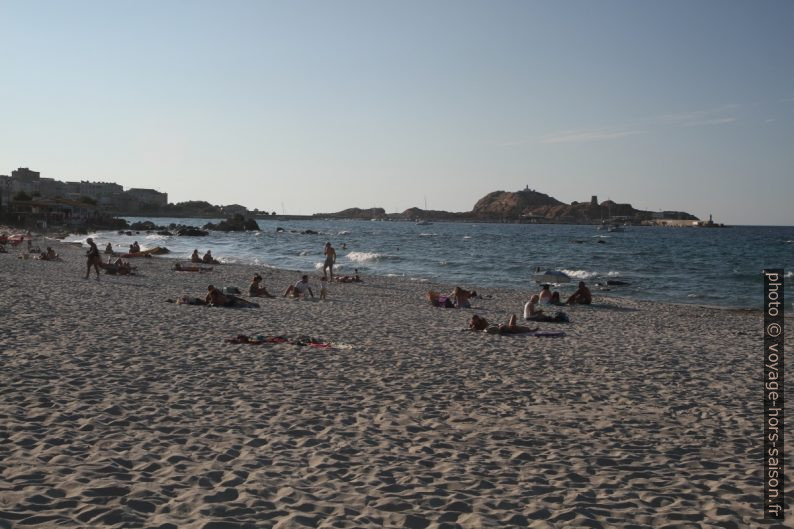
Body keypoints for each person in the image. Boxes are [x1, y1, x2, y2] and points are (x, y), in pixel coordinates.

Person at [469, 314, 538, 334]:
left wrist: (499, 324)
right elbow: (485, 330)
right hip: (501, 329)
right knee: (513, 327)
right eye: (474, 321)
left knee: (513, 327)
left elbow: (490, 325)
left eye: (476, 320)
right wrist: (475, 330)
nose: (476, 322)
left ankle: (530, 330)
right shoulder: (473, 325)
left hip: (498, 327)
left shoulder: (482, 320)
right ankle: (530, 330)